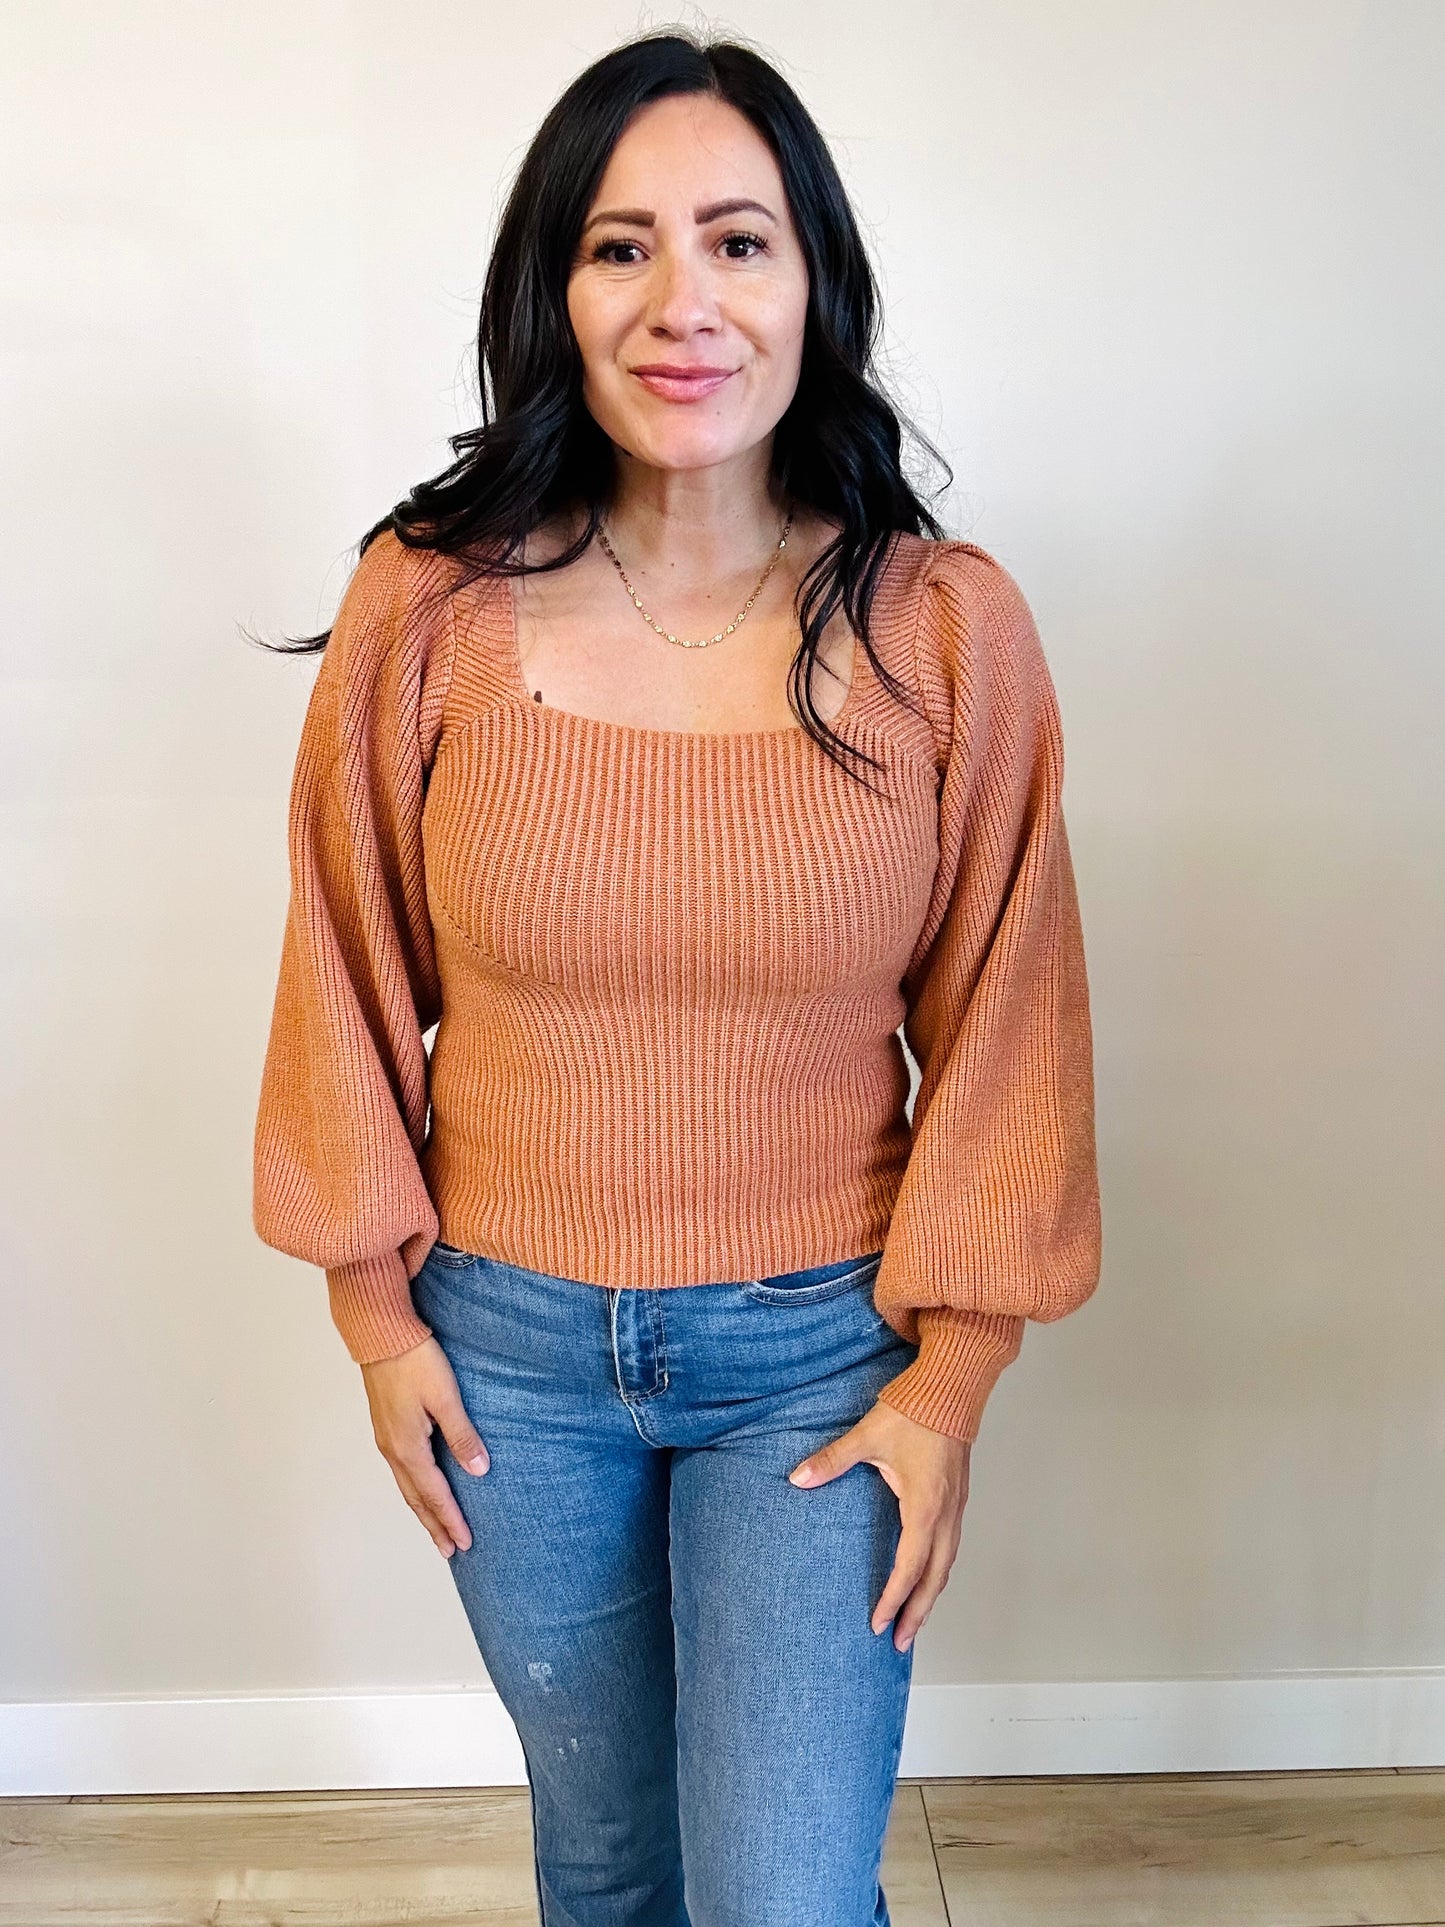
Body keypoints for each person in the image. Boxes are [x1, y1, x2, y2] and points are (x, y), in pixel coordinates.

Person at [251, 29, 1101, 1927]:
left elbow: (1007, 1019)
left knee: (779, 1899)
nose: (681, 301)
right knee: (614, 1869)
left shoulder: (942, 628)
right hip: (511, 1363)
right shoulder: (430, 603)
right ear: (554, 292)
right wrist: (378, 1322)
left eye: (737, 240)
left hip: (817, 1363)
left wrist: (948, 1383)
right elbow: (340, 956)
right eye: (620, 247)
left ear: (816, 284)